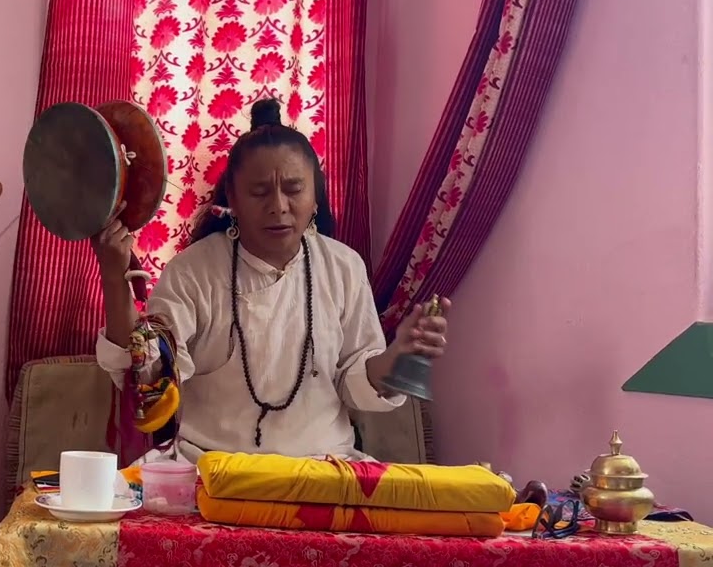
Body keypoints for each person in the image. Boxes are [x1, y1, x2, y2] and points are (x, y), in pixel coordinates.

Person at [93, 99, 451, 463]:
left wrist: (396, 356)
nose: (279, 206)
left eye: (294, 189)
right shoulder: (193, 271)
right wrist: (113, 276)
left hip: (323, 468)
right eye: (260, 192)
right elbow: (149, 377)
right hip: (208, 469)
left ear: (315, 198)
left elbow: (355, 382)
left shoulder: (344, 267)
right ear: (232, 198)